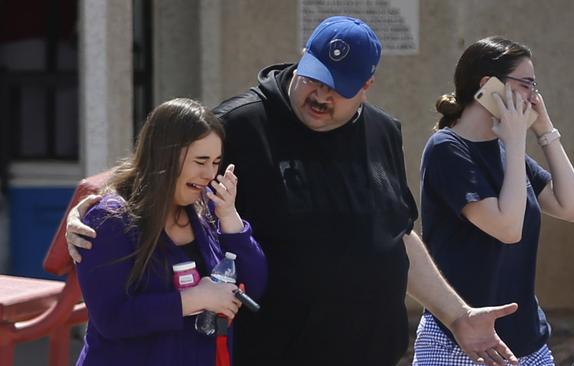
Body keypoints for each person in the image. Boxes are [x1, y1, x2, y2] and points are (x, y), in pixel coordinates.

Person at [67, 17, 519, 366]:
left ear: (366, 87)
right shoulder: (241, 124)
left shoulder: (383, 132)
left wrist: (458, 315)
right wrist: (91, 207)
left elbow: (398, 235)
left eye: (338, 89)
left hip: (372, 353)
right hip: (275, 354)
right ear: (302, 58)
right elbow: (167, 164)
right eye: (314, 78)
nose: (320, 95)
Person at [413, 36, 574, 365]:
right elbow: (508, 228)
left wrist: (545, 130)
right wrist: (517, 138)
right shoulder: (446, 149)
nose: (533, 96)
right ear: (488, 85)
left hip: (527, 345)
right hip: (462, 345)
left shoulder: (509, 151)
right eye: (526, 84)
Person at [73, 98, 267, 365]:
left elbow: (253, 285)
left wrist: (229, 217)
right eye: (200, 161)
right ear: (165, 154)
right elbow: (112, 317)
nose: (209, 174)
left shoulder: (205, 209)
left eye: (215, 162)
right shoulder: (109, 220)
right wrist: (194, 299)